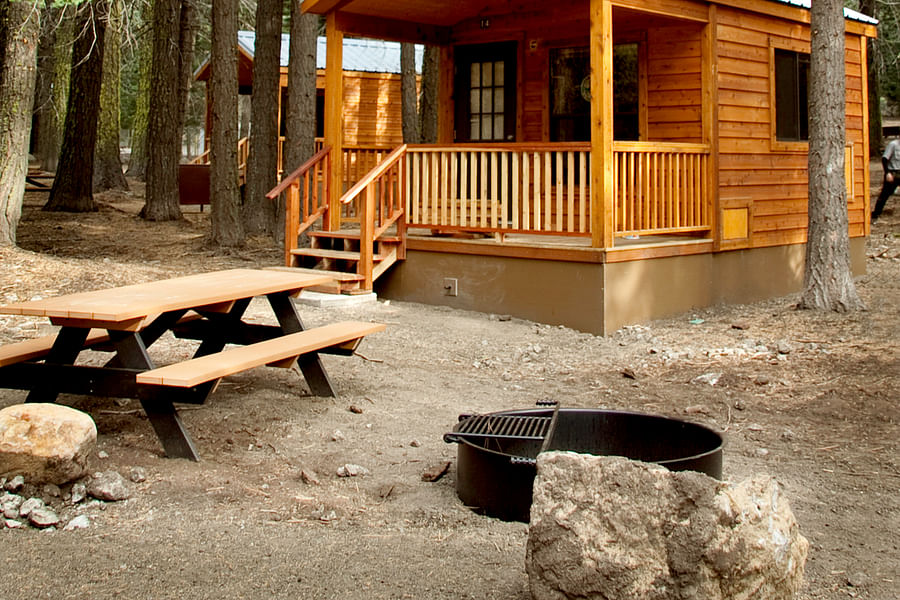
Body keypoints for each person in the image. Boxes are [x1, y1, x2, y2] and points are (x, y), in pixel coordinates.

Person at [872, 136, 900, 222]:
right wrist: (887, 172)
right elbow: (884, 159)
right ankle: (875, 215)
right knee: (885, 195)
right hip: (893, 173)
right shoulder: (893, 144)